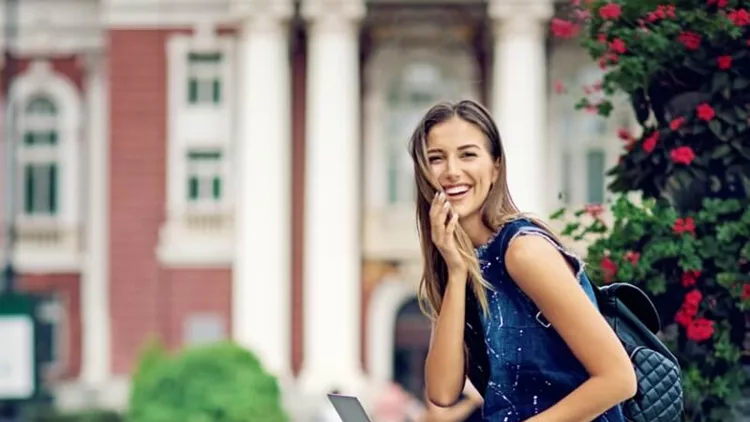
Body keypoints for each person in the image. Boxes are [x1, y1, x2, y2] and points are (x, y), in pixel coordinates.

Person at [409, 100, 637, 422]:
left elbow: (618, 379)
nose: (452, 171)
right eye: (436, 158)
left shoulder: (523, 251)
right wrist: (457, 272)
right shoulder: (461, 262)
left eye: (467, 154)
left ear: (496, 167)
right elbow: (443, 392)